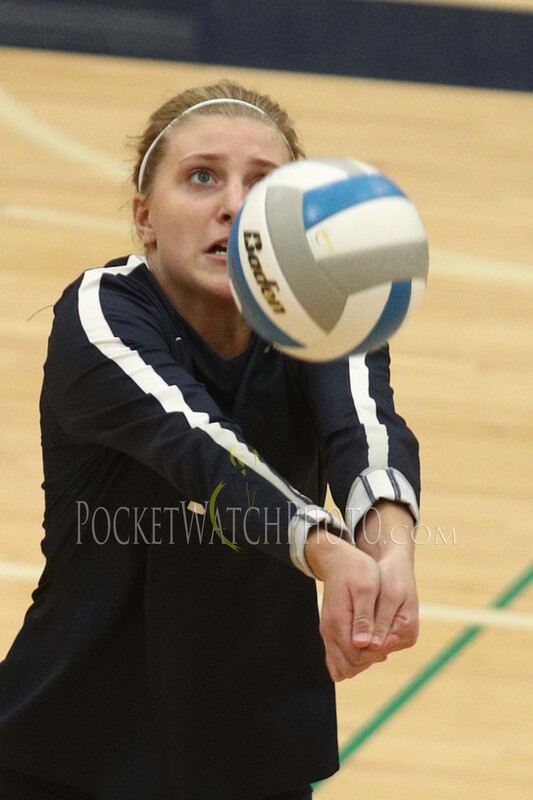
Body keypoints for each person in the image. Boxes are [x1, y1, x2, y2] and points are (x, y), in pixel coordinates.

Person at [0, 80, 420, 800]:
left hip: (256, 744)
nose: (234, 204)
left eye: (265, 185)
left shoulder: (325, 307)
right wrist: (328, 551)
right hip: (77, 745)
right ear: (144, 218)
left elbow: (364, 426)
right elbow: (201, 447)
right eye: (202, 177)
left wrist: (390, 551)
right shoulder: (101, 313)